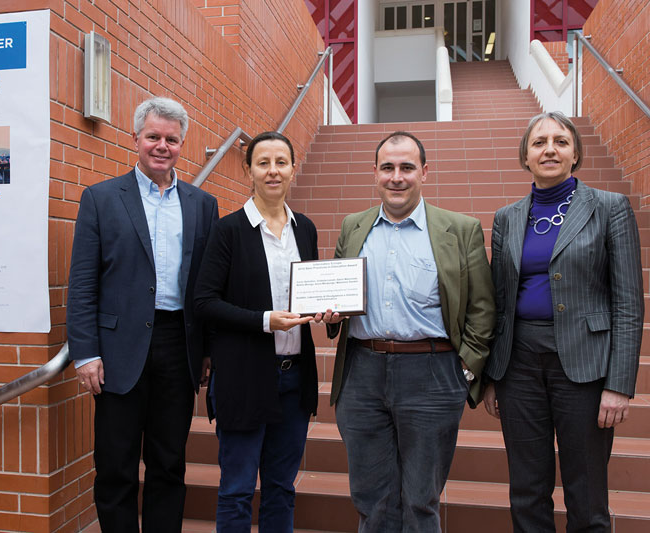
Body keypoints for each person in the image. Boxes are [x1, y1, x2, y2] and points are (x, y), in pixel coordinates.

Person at [327, 131, 495, 532]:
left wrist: (464, 371)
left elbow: (483, 308)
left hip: (432, 374)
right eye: (387, 168)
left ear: (424, 171)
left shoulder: (461, 229)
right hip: (362, 372)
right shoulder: (353, 227)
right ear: (375, 173)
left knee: (421, 500)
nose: (396, 177)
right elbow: (337, 297)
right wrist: (330, 314)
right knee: (371, 499)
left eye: (406, 167)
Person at [483, 111, 643, 532]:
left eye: (560, 141)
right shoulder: (507, 217)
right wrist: (492, 376)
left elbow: (628, 302)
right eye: (539, 142)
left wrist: (619, 384)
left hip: (585, 365)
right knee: (527, 490)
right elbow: (499, 300)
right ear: (526, 157)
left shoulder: (610, 208)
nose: (549, 149)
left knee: (587, 492)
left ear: (575, 153)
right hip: (518, 363)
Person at [66, 96, 219, 532]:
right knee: (115, 466)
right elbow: (82, 284)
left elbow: (205, 288)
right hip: (117, 350)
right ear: (135, 138)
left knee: (168, 463)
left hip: (177, 345)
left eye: (171, 139)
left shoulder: (201, 205)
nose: (161, 146)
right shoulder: (100, 199)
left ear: (182, 144)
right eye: (153, 137)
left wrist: (206, 350)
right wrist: (85, 353)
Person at [194, 131, 323, 532]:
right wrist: (264, 320)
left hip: (294, 378)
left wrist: (326, 313)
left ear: (292, 168)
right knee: (236, 488)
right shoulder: (229, 230)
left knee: (281, 487)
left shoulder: (306, 229)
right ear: (248, 170)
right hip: (244, 377)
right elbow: (204, 302)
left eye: (280, 162)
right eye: (263, 163)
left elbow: (313, 291)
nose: (273, 171)